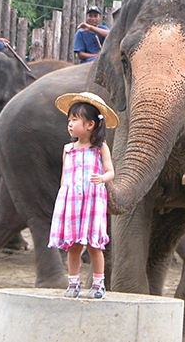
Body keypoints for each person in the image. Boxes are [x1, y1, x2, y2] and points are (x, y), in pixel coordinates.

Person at [48, 92, 119, 299]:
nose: (70, 124)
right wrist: (63, 196)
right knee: (74, 245)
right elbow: (64, 177)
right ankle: (73, 283)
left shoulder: (100, 148)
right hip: (71, 201)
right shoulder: (68, 149)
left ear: (90, 125)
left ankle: (98, 284)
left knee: (94, 245)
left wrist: (103, 179)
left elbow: (111, 172)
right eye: (69, 120)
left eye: (75, 120)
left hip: (93, 200)